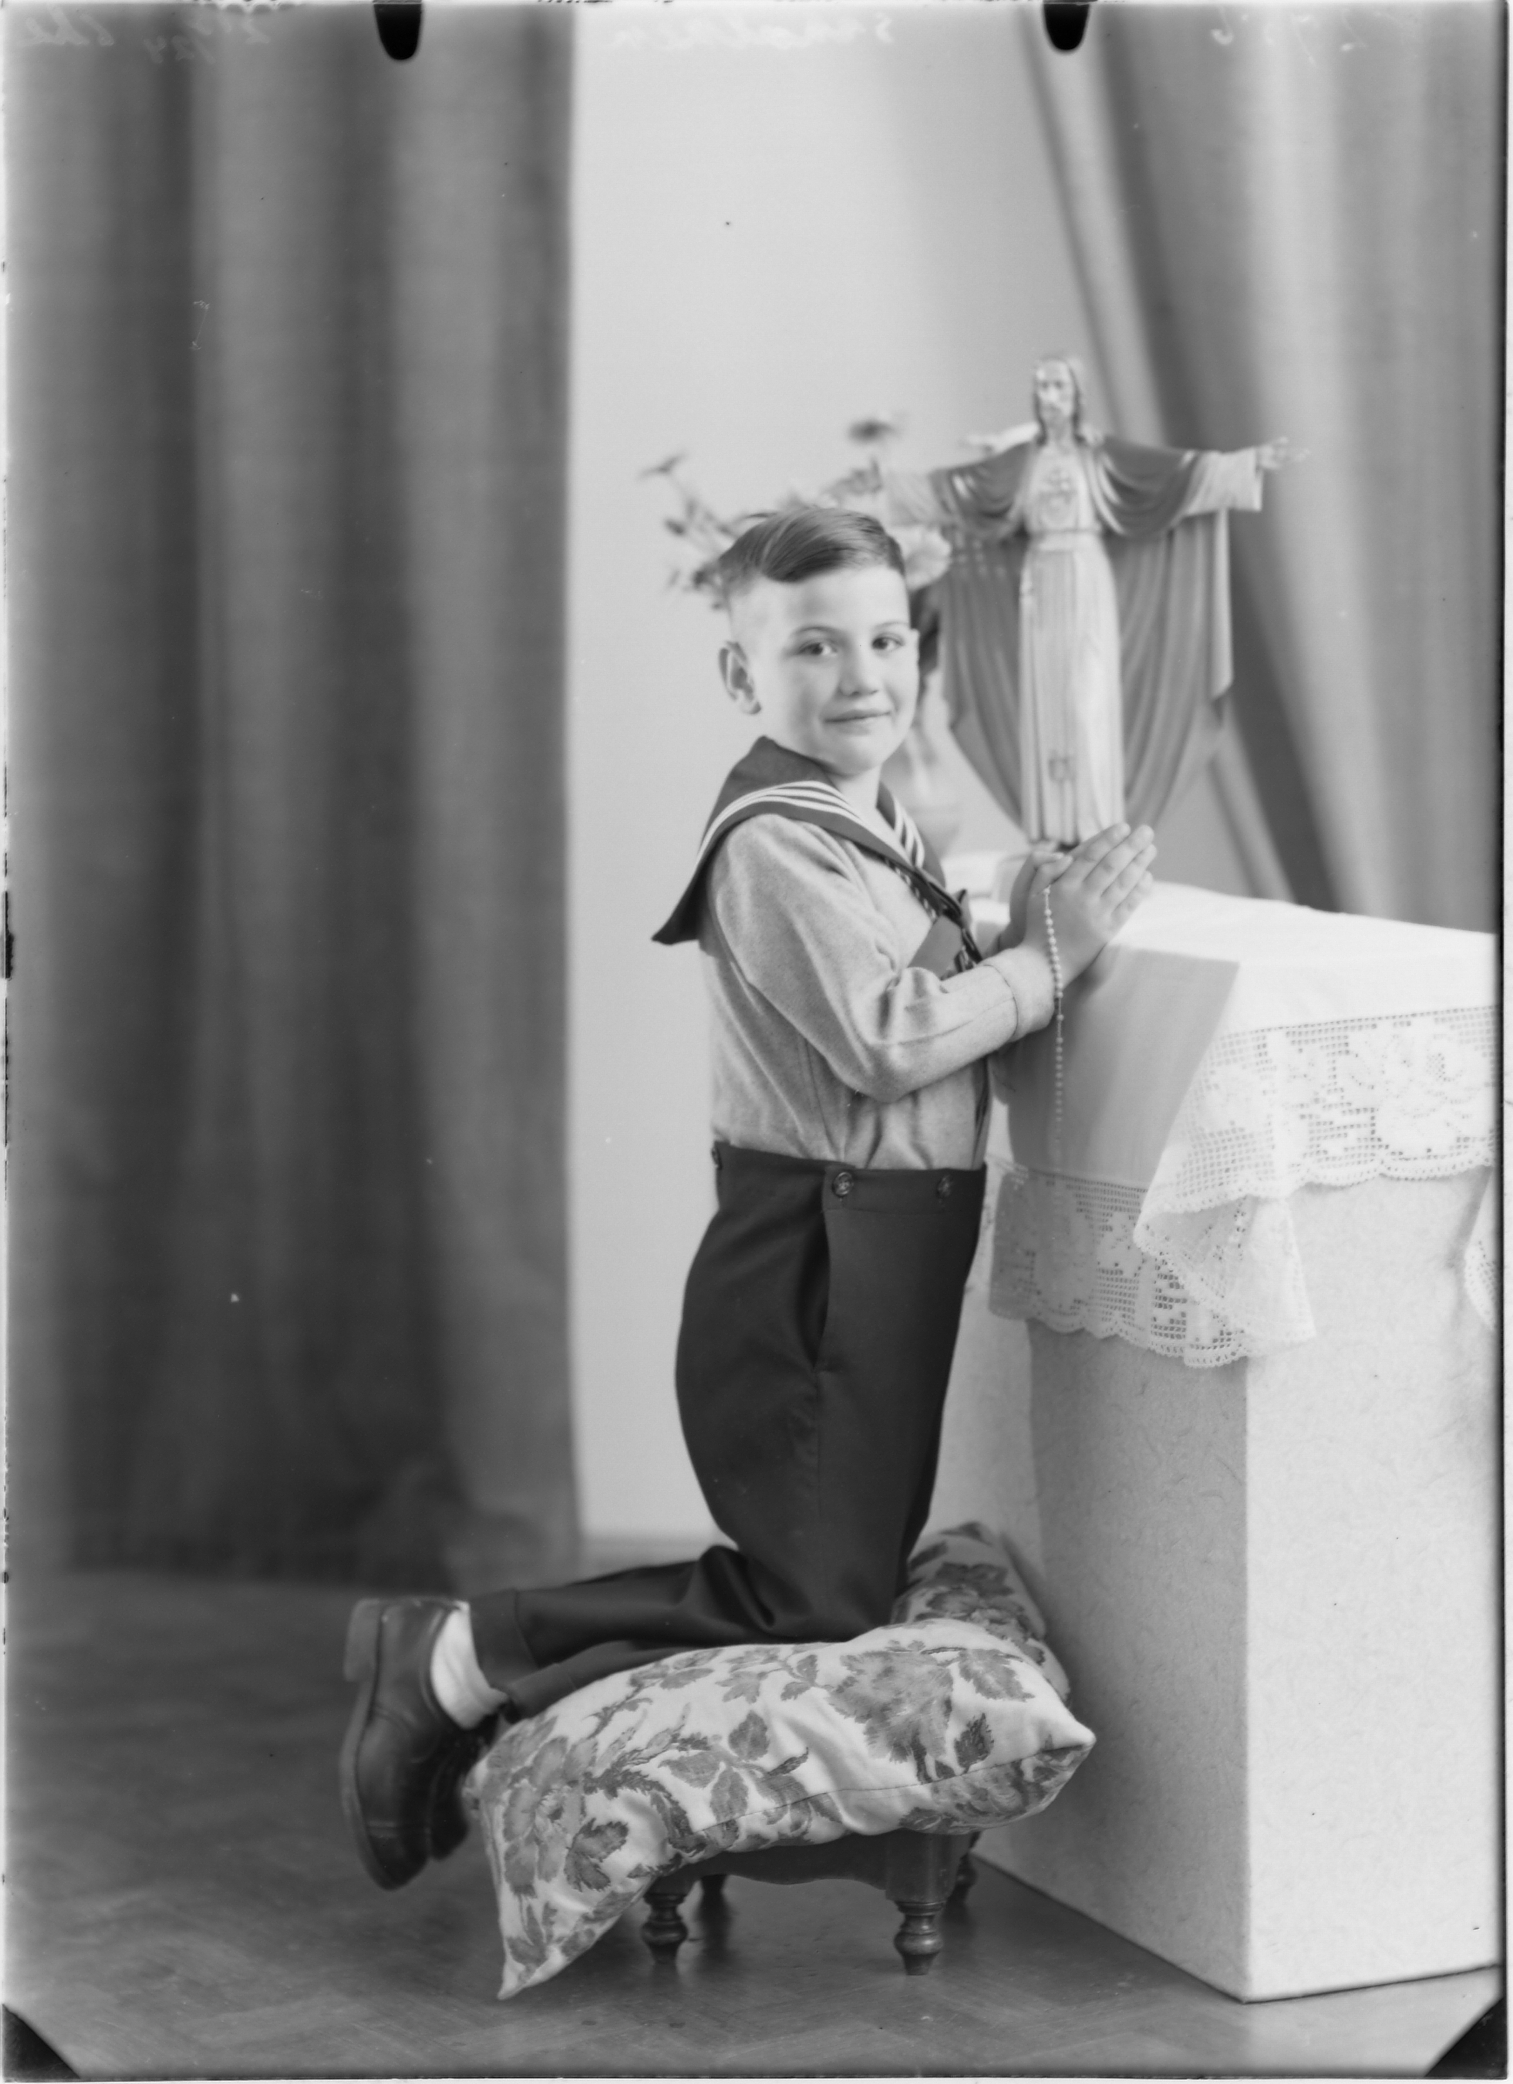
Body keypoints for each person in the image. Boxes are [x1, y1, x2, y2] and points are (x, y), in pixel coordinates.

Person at [338, 508, 1156, 1891]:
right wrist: (1048, 959)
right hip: (817, 1253)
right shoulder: (773, 842)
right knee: (809, 1597)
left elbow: (918, 982)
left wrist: (1021, 927)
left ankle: (468, 1683)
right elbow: (886, 1039)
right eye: (814, 647)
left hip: (884, 1244)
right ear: (741, 675)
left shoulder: (867, 819)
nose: (863, 676)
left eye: (886, 639)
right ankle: (457, 1655)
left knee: (829, 1583)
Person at [874, 356, 1293, 846]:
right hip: (1040, 585)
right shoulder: (1022, 462)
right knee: (1045, 699)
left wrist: (1245, 464)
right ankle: (1052, 829)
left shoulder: (1099, 457)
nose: (1050, 396)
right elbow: (960, 489)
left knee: (1087, 698)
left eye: (1059, 386)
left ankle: (1093, 824)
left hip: (1085, 580)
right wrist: (890, 482)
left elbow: (1171, 476)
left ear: (1078, 395)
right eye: (1042, 386)